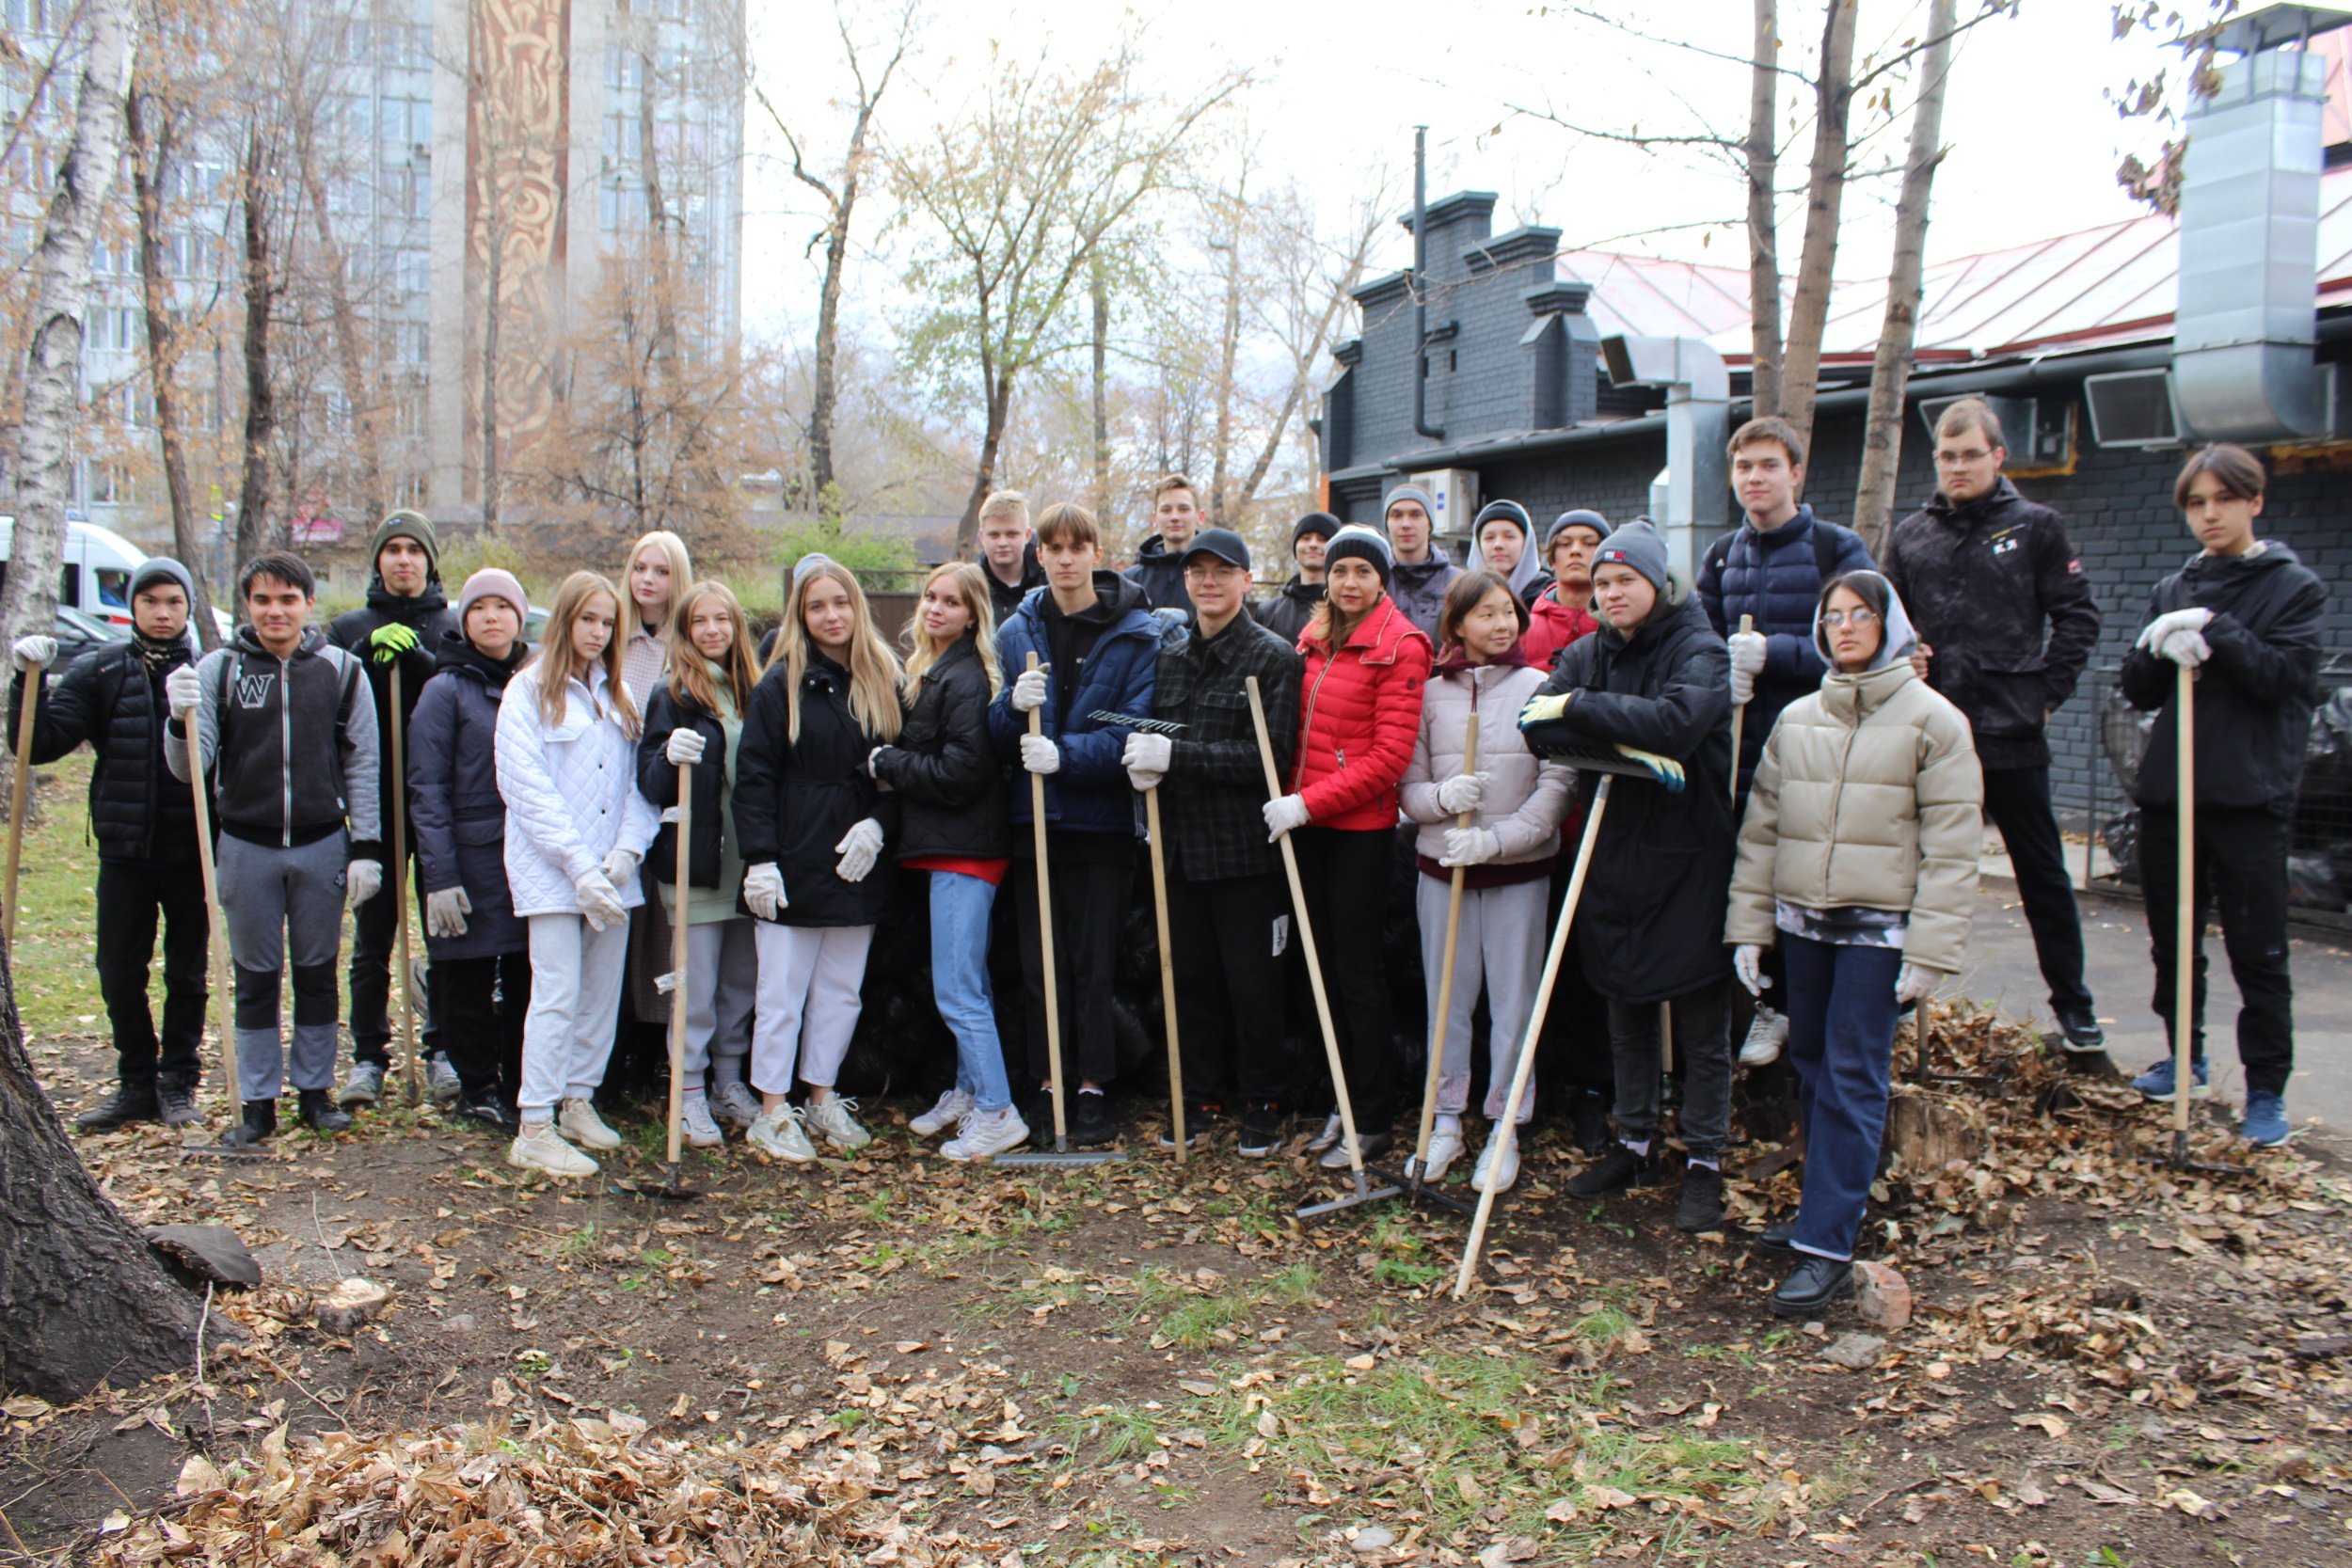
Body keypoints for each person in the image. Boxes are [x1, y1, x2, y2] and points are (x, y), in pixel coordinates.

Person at [1727, 570, 1982, 1316]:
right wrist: (1749, 927)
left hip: (1880, 934)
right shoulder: (1800, 717)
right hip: (1806, 925)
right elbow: (1763, 831)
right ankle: (1818, 1210)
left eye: (1859, 614)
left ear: (1890, 623)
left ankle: (1829, 1244)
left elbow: (1954, 845)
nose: (1844, 627)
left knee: (1852, 1075)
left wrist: (1932, 949)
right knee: (1810, 1066)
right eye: (1832, 615)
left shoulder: (1934, 722)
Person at [1518, 521, 1736, 1231]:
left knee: (1701, 1024)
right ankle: (1634, 1139)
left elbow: (1677, 722)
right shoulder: (1586, 651)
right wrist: (1619, 737)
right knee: (1624, 1006)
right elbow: (1534, 722)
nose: (1612, 593)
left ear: (1656, 583)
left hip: (1688, 858)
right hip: (1611, 855)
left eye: (1625, 582)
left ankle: (1704, 1159)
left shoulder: (1699, 647)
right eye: (1603, 584)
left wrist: (1582, 712)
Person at [1884, 399, 2106, 1057]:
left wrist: (2045, 694)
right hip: (1930, 735)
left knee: (2042, 875)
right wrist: (1908, 654)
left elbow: (2078, 617)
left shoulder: (2036, 526)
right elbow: (1889, 623)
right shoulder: (1911, 535)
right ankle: (1894, 1001)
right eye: (1947, 457)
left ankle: (2076, 1010)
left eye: (1970, 455)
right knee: (1908, 870)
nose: (1958, 467)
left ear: (1997, 457)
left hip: (2010, 733)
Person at [2121, 444, 2325, 1148]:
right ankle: (2186, 1056)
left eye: (2222, 500)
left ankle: (2266, 1086)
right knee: (2174, 944)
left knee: (2257, 950)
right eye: (2196, 503)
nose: (2209, 515)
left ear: (2253, 502)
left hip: (2248, 799)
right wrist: (2158, 648)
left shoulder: (2293, 587)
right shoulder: (2175, 585)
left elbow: (2284, 677)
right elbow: (2138, 687)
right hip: (2172, 796)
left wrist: (2217, 631)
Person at [165, 553, 380, 1148]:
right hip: (245, 846)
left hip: (320, 847)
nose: (274, 611)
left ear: (309, 603)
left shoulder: (342, 672)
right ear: (247, 607)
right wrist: (174, 715)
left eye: (287, 599)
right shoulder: (218, 670)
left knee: (316, 975)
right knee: (256, 978)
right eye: (262, 600)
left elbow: (364, 763)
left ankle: (315, 1092)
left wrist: (365, 846)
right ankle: (257, 1102)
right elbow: (189, 767)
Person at [1694, 415, 1873, 1071]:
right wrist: (1723, 671)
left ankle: (1804, 1007)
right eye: (1744, 467)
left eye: (1769, 465)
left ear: (1796, 472)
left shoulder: (1836, 549)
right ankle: (1764, 1000)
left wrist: (1780, 652)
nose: (1755, 478)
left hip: (1821, 748)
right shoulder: (1721, 556)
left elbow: (1861, 642)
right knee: (1751, 873)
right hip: (1744, 748)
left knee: (1807, 876)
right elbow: (1700, 639)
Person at [9, 558, 208, 1131]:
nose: (163, 612)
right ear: (133, 609)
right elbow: (39, 744)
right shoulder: (99, 671)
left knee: (187, 973)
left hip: (192, 849)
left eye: (174, 601)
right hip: (125, 847)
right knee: (119, 968)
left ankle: (178, 1083)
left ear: (188, 606)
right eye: (151, 602)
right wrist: (27, 682)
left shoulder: (205, 670)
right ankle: (136, 1082)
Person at [1124, 527, 1302, 1158]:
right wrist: (1144, 754)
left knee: (1255, 986)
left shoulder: (1274, 658)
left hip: (1244, 854)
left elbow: (1269, 758)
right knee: (1189, 979)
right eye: (1197, 571)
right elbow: (1159, 729)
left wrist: (1177, 755)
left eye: (1222, 571)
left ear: (1246, 580)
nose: (1207, 581)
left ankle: (1263, 1099)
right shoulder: (1171, 654)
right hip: (1177, 850)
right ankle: (1198, 1094)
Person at [992, 501, 1166, 1146]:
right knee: (1041, 964)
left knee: (1094, 965)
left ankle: (1092, 1087)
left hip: (1099, 828)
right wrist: (1011, 710)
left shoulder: (1137, 633)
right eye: (1054, 548)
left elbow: (1136, 725)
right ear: (1039, 556)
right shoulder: (1018, 631)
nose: (1066, 558)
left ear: (1098, 552)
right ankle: (1048, 1084)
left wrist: (1065, 755)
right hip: (1034, 822)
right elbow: (992, 733)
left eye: (1077, 546)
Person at [1262, 524, 1432, 1167]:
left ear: (1382, 578)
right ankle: (1337, 1097)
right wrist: (1288, 796)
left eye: (1363, 571)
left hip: (1358, 832)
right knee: (1320, 969)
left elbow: (1390, 756)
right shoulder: (1312, 638)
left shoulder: (1402, 646)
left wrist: (1308, 800)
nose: (1351, 582)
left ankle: (1373, 1114)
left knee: (1359, 975)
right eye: (1341, 572)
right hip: (1305, 827)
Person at [1398, 569, 1572, 1191]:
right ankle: (1445, 1118)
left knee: (1512, 1000)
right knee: (1447, 999)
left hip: (1516, 872)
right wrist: (1442, 798)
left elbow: (1557, 786)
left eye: (1510, 613)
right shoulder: (1429, 693)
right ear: (1458, 625)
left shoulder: (1540, 688)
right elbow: (1409, 789)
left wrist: (1498, 838)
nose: (1502, 624)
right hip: (1442, 869)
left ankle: (1504, 1125)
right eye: (1487, 614)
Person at [734, 556, 903, 1160]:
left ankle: (821, 1096)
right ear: (800, 617)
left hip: (856, 862)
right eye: (817, 606)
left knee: (840, 990)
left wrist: (878, 828)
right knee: (782, 992)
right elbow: (753, 776)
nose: (831, 615)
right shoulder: (780, 684)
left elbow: (898, 775)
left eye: (840, 602)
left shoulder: (883, 677)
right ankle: (773, 1109)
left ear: (857, 607)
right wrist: (760, 858)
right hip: (793, 859)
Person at [495, 570, 660, 1178]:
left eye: (607, 621)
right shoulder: (529, 691)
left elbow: (638, 789)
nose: (597, 631)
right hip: (553, 871)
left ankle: (577, 1098)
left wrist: (626, 851)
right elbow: (526, 788)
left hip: (612, 873)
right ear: (564, 620)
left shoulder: (618, 695)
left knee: (600, 993)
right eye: (587, 619)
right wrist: (578, 865)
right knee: (557, 993)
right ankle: (533, 1121)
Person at [873, 562, 1030, 1163]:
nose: (936, 609)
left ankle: (997, 1111)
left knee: (958, 990)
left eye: (952, 602)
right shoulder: (934, 670)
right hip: (954, 846)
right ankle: (968, 1091)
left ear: (972, 615)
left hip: (966, 850)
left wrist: (888, 762)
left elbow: (963, 773)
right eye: (931, 597)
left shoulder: (964, 676)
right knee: (971, 983)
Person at [327, 510, 459, 1109]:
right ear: (377, 559)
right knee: (373, 935)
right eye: (392, 550)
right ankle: (367, 1057)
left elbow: (468, 689)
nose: (403, 559)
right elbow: (323, 700)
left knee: (446, 932)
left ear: (430, 561)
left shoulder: (452, 626)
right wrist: (360, 652)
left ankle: (443, 1048)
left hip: (438, 802)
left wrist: (427, 666)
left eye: (414, 550)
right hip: (373, 803)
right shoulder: (347, 627)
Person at [637, 581, 765, 1148]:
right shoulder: (673, 696)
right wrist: (668, 755)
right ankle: (687, 1092)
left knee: (742, 981)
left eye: (724, 620)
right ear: (685, 631)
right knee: (697, 983)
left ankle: (728, 1083)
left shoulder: (753, 691)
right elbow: (648, 782)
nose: (713, 631)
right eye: (700, 622)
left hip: (749, 861)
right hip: (699, 863)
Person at [407, 568, 534, 1134]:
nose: (491, 617)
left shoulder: (533, 682)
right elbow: (427, 787)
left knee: (525, 975)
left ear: (519, 617)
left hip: (524, 855)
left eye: (502, 607)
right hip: (466, 856)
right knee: (467, 977)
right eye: (479, 607)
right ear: (464, 619)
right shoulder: (445, 690)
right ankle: (477, 1086)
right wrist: (439, 875)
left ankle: (519, 1083)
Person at [614, 530, 695, 1091]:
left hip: (669, 800)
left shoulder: (685, 644)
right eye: (641, 568)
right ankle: (623, 1046)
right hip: (614, 800)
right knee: (625, 924)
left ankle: (665, 1044)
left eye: (662, 571)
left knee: (666, 934)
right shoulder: (612, 639)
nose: (648, 580)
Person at [1523, 511, 1607, 672]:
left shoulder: (1623, 627)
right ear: (1552, 559)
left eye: (1589, 543)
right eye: (1565, 544)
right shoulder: (1524, 630)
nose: (1575, 551)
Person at [1381, 484, 1463, 641]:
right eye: (1397, 515)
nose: (1406, 524)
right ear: (1387, 524)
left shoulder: (1457, 583)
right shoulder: (1376, 579)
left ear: (1430, 524)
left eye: (1416, 515)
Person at [1253, 512, 1335, 645]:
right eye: (1306, 538)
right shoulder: (1268, 612)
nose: (1313, 544)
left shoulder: (1346, 609)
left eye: (1323, 539)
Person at [1125, 474, 1204, 612]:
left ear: (1200, 516)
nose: (1174, 517)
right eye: (1166, 510)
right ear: (1154, 518)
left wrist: (1191, 621)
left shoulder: (1216, 576)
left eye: (1183, 509)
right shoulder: (1131, 581)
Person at [978, 490, 1047, 627]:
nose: (1002, 543)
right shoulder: (971, 586)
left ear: (1027, 535)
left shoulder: (1048, 586)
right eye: (994, 535)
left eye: (1011, 534)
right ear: (982, 537)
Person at [1472, 499, 1544, 605]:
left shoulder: (1547, 596)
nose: (1498, 545)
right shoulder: (1463, 596)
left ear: (1526, 543)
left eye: (1509, 536)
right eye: (1489, 537)